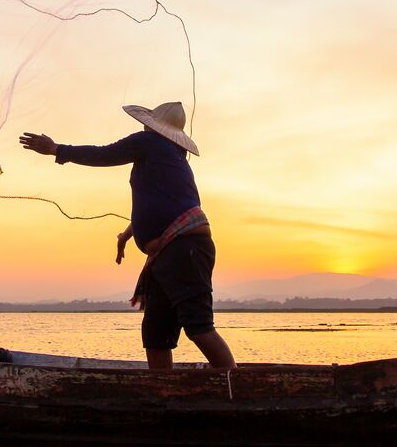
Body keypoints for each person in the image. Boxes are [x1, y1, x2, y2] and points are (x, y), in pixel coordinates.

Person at [19, 102, 237, 372]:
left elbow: (105, 154)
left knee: (198, 326)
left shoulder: (149, 142)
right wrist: (128, 234)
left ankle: (234, 387)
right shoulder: (170, 157)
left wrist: (56, 149)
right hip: (170, 252)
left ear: (152, 125)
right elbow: (160, 204)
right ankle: (163, 393)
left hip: (184, 251)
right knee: (156, 332)